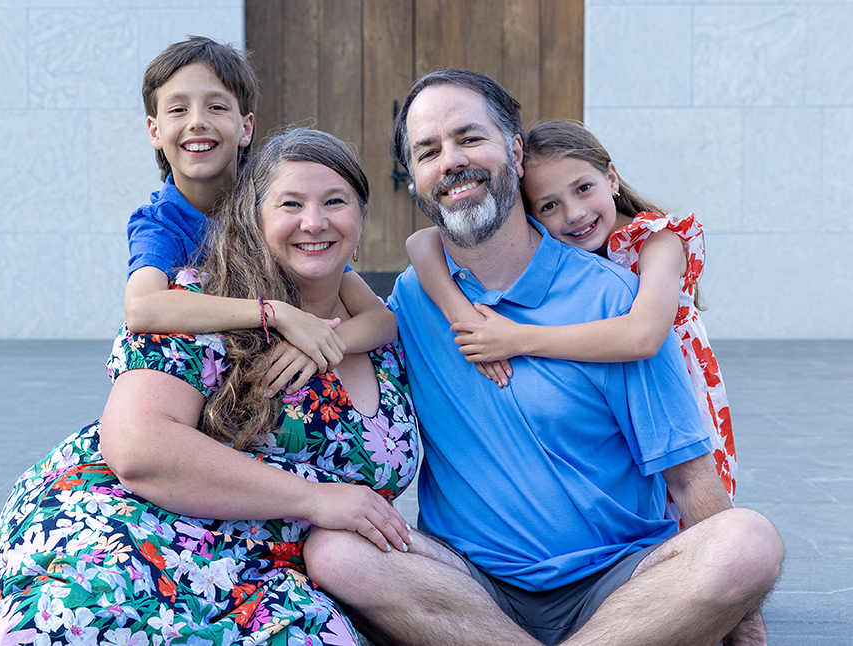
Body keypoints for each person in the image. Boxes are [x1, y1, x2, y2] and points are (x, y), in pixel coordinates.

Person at [303, 69, 782, 646]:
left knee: (747, 543)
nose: (451, 160)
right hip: (469, 586)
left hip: (621, 581)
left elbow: (690, 476)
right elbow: (325, 271)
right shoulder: (413, 298)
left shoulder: (609, 297)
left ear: (515, 149)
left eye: (469, 137)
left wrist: (743, 625)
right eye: (428, 151)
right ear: (415, 180)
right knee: (335, 549)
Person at [0, 128, 418, 646]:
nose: (313, 222)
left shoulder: (381, 328)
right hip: (140, 526)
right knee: (77, 624)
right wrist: (316, 499)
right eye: (290, 203)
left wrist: (332, 341)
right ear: (255, 220)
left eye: (335, 202)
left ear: (362, 221)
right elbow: (139, 448)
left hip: (273, 572)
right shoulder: (203, 302)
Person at [405, 118, 736, 520]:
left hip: (674, 392)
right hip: (617, 396)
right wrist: (460, 313)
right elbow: (421, 242)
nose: (575, 214)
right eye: (549, 206)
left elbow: (644, 336)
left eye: (583, 189)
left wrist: (517, 338)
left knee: (688, 509)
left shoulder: (657, 240)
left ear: (611, 177)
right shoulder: (567, 263)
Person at [126, 36, 395, 394]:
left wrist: (322, 343)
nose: (197, 122)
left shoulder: (277, 205)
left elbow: (380, 319)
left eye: (217, 107)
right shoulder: (162, 222)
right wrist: (275, 313)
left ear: (246, 127)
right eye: (178, 110)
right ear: (154, 131)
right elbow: (143, 307)